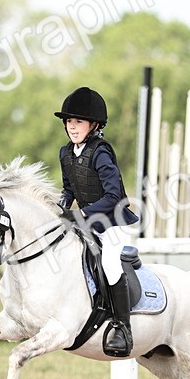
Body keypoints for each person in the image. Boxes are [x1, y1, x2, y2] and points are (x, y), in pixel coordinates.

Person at [55, 86, 140, 358]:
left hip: (114, 222)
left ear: (93, 125)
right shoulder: (65, 153)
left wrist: (82, 214)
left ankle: (122, 326)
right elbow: (69, 188)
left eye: (78, 121)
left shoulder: (101, 152)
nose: (72, 126)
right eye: (69, 121)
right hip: (88, 222)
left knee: (109, 264)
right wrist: (60, 206)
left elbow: (114, 196)